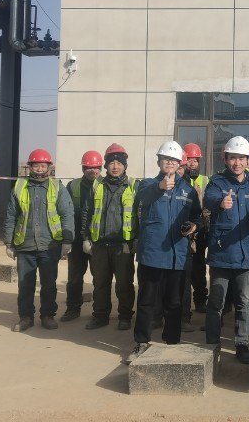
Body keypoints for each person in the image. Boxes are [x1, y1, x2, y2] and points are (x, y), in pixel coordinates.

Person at [126, 141, 201, 364]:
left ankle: (172, 342)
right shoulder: (148, 184)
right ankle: (141, 342)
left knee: (174, 303)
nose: (170, 163)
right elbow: (143, 198)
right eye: (166, 159)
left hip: (177, 255)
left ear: (180, 164)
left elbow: (197, 216)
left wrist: (194, 226)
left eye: (174, 160)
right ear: (159, 161)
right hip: (152, 254)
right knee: (147, 301)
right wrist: (160, 187)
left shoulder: (188, 190)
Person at [202, 135, 249, 364]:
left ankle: (242, 344)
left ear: (248, 160)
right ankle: (212, 344)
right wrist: (221, 204)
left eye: (241, 158)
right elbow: (208, 199)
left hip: (246, 255)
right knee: (216, 302)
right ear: (225, 159)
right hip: (221, 254)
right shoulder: (217, 183)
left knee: (244, 302)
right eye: (232, 158)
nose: (237, 163)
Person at [4, 149, 74, 332]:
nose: (40, 169)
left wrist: (67, 240)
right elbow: (11, 216)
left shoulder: (57, 187)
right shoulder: (19, 187)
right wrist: (9, 243)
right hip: (25, 245)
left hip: (49, 245)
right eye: (36, 165)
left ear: (49, 167)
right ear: (30, 167)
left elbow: (67, 215)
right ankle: (26, 317)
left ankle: (48, 315)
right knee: (25, 284)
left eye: (43, 165)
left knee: (48, 284)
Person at [81, 143, 140, 331]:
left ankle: (125, 316)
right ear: (106, 165)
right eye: (112, 163)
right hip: (100, 244)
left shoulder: (134, 186)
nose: (115, 166)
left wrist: (138, 239)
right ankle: (100, 316)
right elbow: (87, 213)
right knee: (100, 283)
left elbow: (141, 214)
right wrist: (85, 238)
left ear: (125, 165)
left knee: (124, 284)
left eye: (119, 163)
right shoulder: (97, 185)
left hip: (123, 245)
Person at [60, 150, 103, 322]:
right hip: (77, 240)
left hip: (97, 240)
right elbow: (66, 212)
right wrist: (67, 239)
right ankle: (73, 308)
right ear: (83, 168)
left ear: (101, 168)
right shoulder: (73, 185)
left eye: (96, 167)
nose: (93, 171)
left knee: (99, 278)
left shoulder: (105, 185)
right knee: (74, 277)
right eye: (89, 168)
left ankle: (99, 312)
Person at [183, 142, 210, 315]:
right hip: (184, 232)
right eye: (189, 160)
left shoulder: (206, 181)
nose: (192, 163)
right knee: (185, 270)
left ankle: (200, 301)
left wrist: (205, 228)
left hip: (200, 232)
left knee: (199, 270)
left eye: (195, 160)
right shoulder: (180, 180)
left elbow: (209, 207)